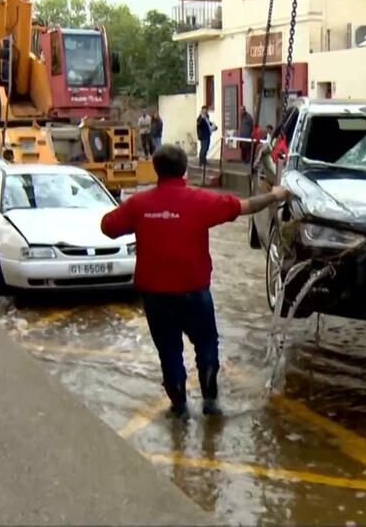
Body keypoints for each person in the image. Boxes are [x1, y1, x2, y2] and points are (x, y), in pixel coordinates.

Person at [100, 145, 291, 418]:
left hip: (155, 295)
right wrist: (275, 195)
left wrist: (141, 217)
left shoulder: (139, 204)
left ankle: (178, 407)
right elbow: (245, 206)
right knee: (206, 345)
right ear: (184, 171)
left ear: (156, 169)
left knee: (168, 350)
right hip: (194, 291)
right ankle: (210, 401)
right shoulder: (200, 201)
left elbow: (107, 227)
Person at [196, 106, 216, 171]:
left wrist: (213, 126)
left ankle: (204, 160)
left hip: (207, 135)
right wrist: (202, 118)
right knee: (203, 148)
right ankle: (201, 161)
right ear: (202, 110)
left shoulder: (207, 117)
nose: (206, 111)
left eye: (206, 110)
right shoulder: (200, 118)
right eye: (204, 110)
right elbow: (199, 124)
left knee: (206, 148)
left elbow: (208, 124)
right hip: (203, 136)